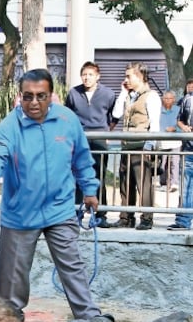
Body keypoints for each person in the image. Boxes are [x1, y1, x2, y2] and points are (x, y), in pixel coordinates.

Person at [0, 68, 108, 322]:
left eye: (41, 96)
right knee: (12, 278)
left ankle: (90, 319)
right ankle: (8, 321)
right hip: (21, 213)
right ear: (19, 96)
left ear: (51, 95)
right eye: (28, 96)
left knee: (72, 267)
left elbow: (81, 158)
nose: (34, 102)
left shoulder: (67, 120)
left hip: (59, 208)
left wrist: (90, 190)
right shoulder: (10, 125)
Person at [108, 61, 161, 230]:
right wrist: (123, 93)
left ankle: (146, 218)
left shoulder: (151, 96)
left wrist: (150, 146)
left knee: (143, 184)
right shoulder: (130, 96)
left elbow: (155, 124)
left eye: (129, 76)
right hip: (127, 145)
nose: (126, 79)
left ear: (140, 76)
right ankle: (126, 217)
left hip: (141, 145)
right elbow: (116, 114)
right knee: (125, 183)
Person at [64, 61, 117, 227]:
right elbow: (68, 115)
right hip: (79, 139)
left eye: (90, 75)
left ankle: (100, 215)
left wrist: (107, 131)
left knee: (99, 175)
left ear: (98, 76)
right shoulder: (74, 93)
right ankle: (76, 213)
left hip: (99, 138)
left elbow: (114, 115)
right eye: (84, 75)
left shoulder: (108, 94)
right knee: (78, 175)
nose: (87, 78)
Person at [167, 78, 193, 231]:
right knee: (187, 187)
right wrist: (184, 128)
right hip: (189, 149)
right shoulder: (188, 99)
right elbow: (180, 120)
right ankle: (183, 221)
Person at [160, 90, 181, 191]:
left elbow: (182, 123)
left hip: (175, 140)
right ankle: (163, 182)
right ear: (163, 99)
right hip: (162, 141)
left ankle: (174, 183)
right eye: (166, 98)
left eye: (170, 98)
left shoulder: (178, 110)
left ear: (174, 100)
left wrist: (175, 128)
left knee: (175, 162)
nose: (168, 100)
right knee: (162, 163)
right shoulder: (158, 110)